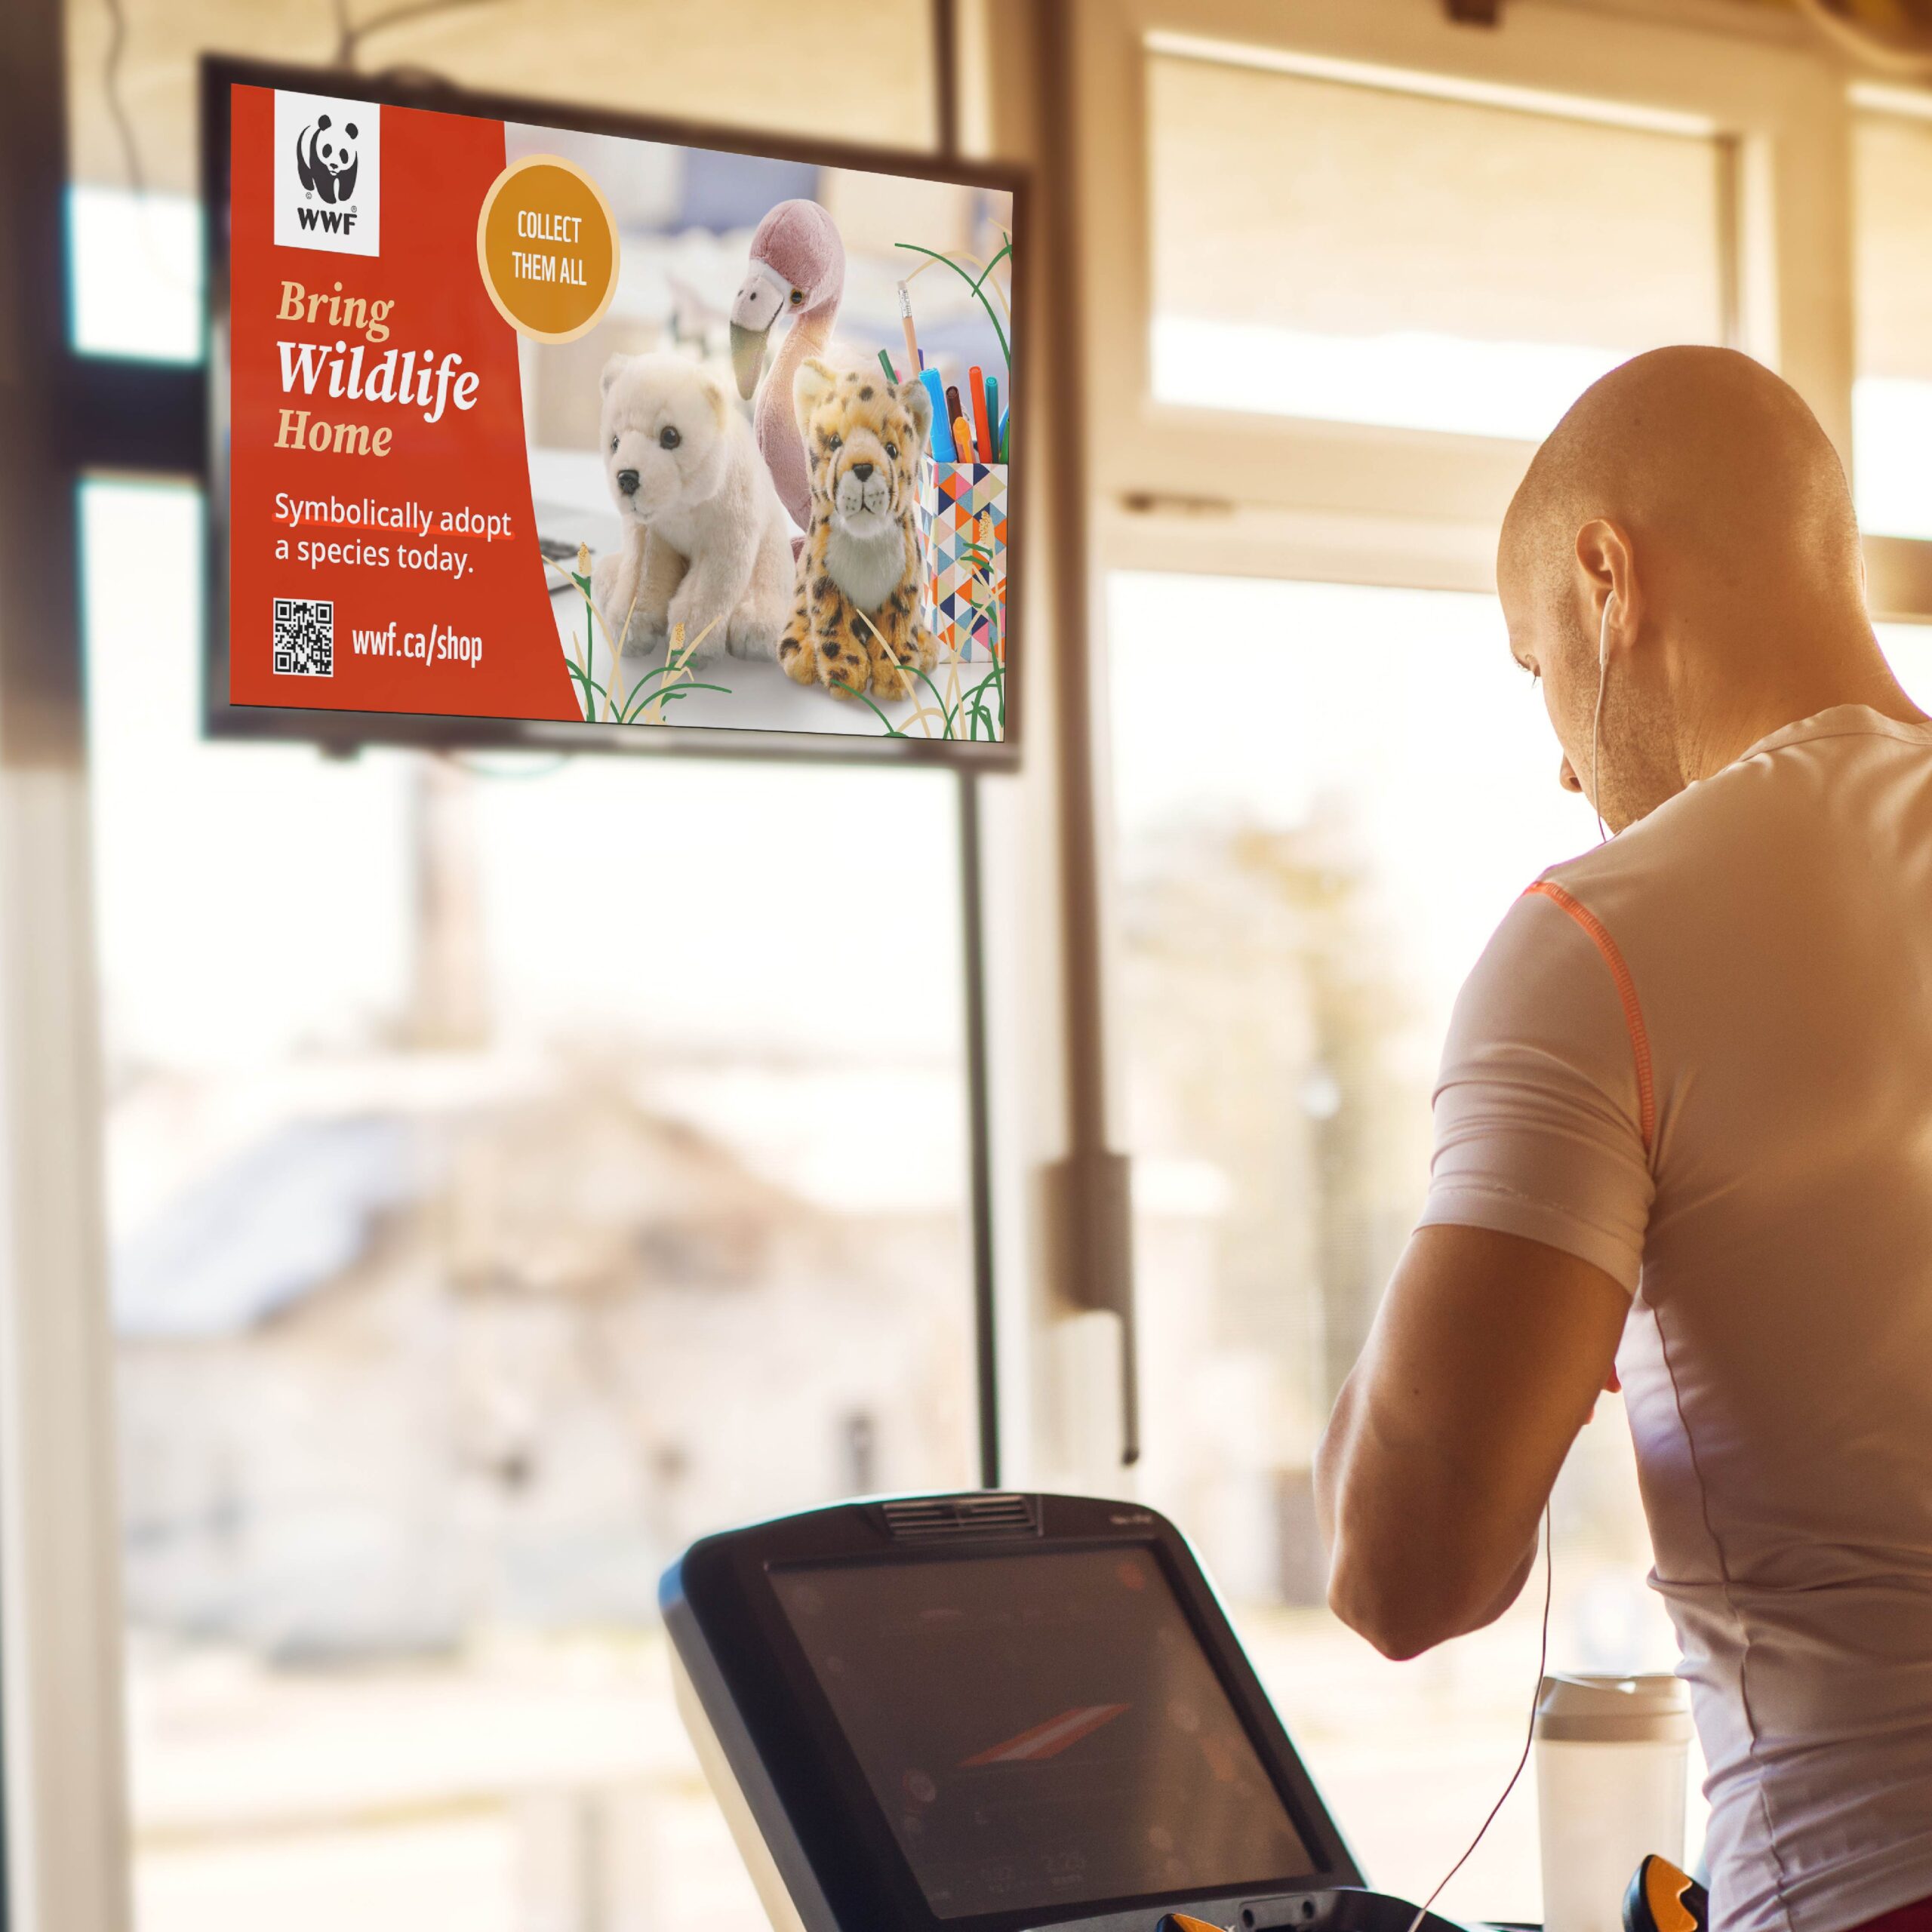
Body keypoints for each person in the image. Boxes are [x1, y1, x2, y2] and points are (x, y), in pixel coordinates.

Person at [1313, 346, 1932, 1932]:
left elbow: (1404, 1573)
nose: (1563, 761)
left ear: (1607, 575)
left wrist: (1493, 1197)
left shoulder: (1605, 935)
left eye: (1536, 672)